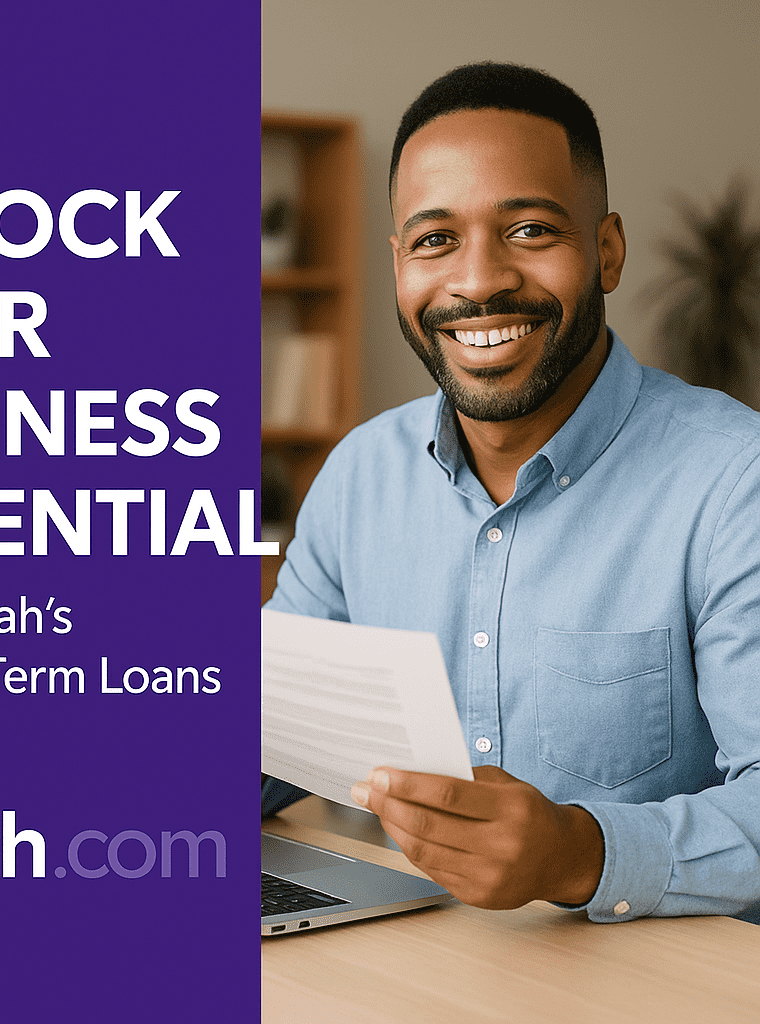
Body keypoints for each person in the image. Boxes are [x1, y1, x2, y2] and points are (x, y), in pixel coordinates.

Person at [264, 62, 760, 924]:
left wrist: (580, 853)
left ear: (606, 250)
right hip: (408, 957)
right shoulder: (359, 475)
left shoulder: (733, 481)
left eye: (529, 230)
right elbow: (271, 732)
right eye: (434, 240)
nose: (478, 280)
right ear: (398, 264)